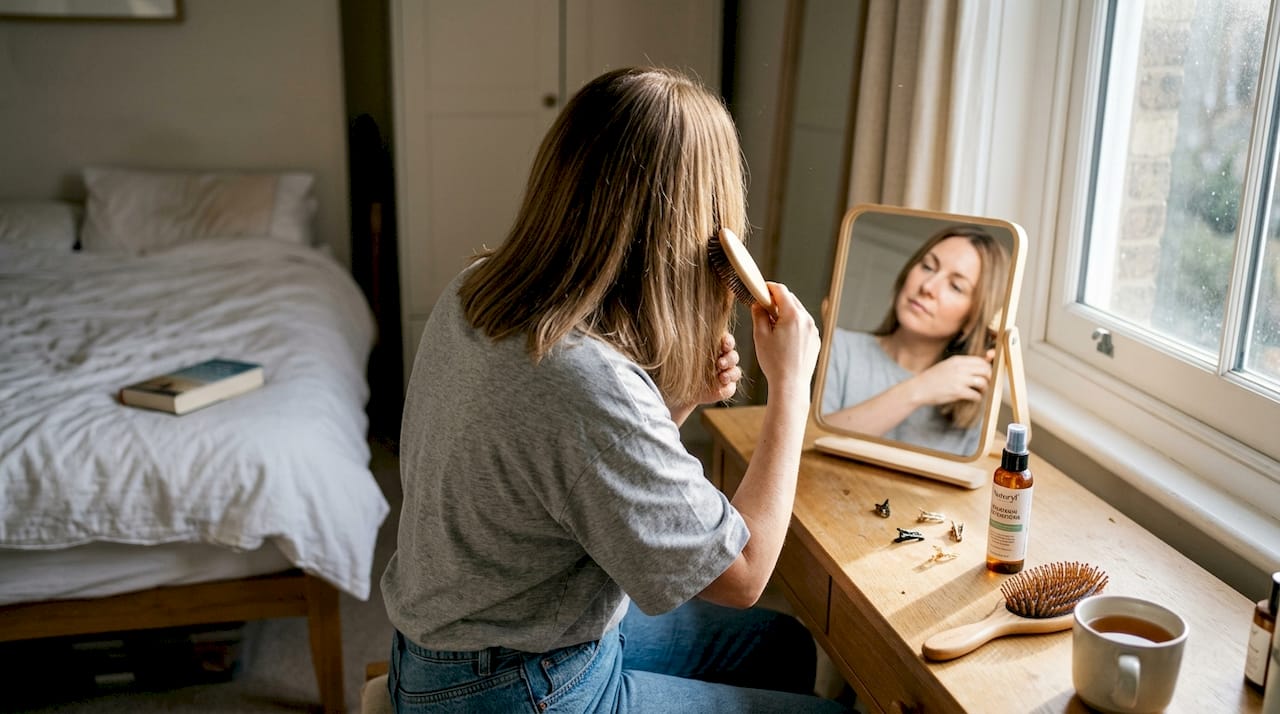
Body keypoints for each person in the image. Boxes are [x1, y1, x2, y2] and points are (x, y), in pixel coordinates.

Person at [381, 67, 843, 713]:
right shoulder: (589, 386)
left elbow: (578, 476)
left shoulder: (479, 289)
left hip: (461, 638)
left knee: (784, 648)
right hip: (515, 685)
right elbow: (742, 576)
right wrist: (791, 385)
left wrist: (672, 406)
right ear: (696, 234)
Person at [820, 226, 1009, 455]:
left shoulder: (970, 395)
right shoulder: (841, 349)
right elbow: (814, 441)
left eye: (956, 286)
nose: (927, 287)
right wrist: (919, 390)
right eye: (927, 266)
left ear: (973, 318)